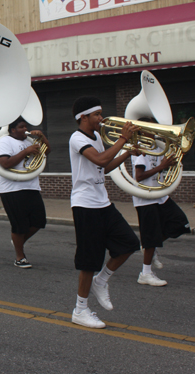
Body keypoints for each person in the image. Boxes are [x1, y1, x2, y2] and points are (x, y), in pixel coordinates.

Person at [69, 96, 140, 329]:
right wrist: (123, 138)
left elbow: (105, 166)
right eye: (97, 114)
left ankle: (102, 281)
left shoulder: (98, 136)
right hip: (84, 204)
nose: (101, 118)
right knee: (89, 260)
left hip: (102, 202)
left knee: (129, 243)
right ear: (83, 117)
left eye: (101, 113)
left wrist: (127, 152)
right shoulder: (76, 138)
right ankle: (80, 310)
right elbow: (99, 158)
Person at [131, 123, 191, 286]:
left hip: (160, 195)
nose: (156, 132)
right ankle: (145, 273)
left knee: (181, 223)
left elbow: (165, 163)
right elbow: (139, 176)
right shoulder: (140, 149)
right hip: (145, 198)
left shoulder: (159, 147)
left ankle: (151, 246)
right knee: (151, 236)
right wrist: (162, 166)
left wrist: (170, 162)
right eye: (151, 129)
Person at [0, 116, 51, 268]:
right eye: (21, 127)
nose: (25, 129)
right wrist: (26, 151)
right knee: (19, 225)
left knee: (39, 221)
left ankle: (17, 241)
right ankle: (20, 257)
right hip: (12, 189)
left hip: (31, 186)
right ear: (12, 129)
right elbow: (5, 163)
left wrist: (42, 137)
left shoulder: (29, 142)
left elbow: (47, 152)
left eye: (26, 126)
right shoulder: (4, 142)